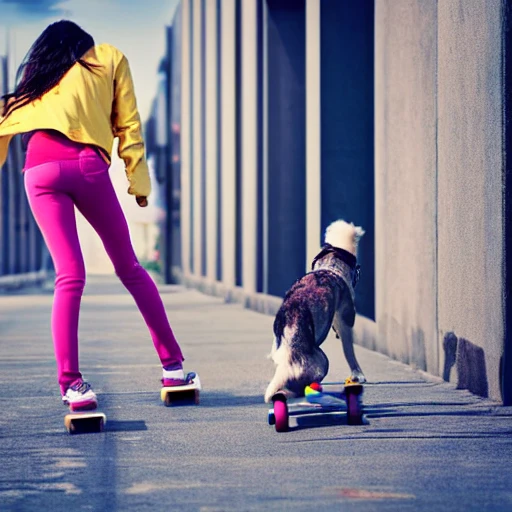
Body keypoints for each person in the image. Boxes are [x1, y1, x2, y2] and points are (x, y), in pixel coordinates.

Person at [0, 20, 187, 412]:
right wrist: (138, 181)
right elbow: (129, 125)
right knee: (130, 268)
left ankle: (72, 386)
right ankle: (173, 367)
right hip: (85, 164)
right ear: (84, 46)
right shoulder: (108, 57)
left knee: (69, 277)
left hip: (38, 169)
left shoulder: (40, 78)